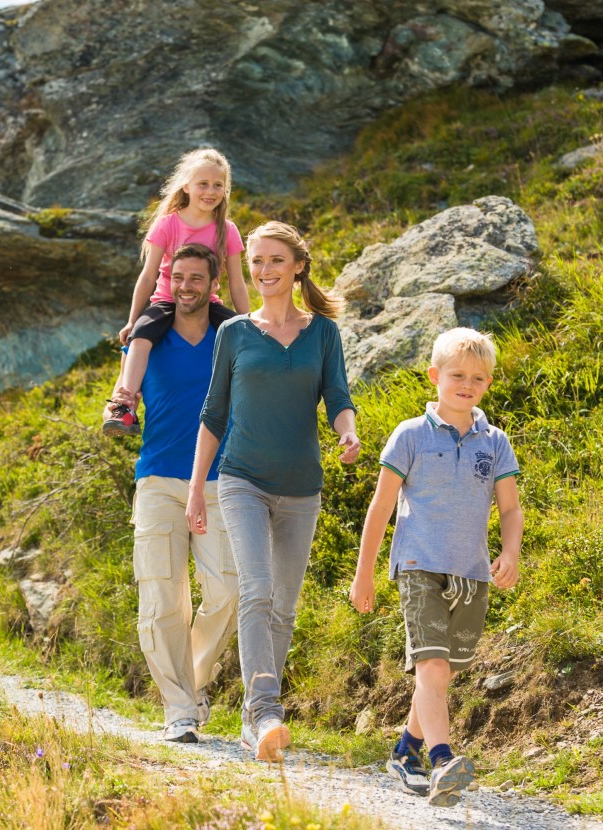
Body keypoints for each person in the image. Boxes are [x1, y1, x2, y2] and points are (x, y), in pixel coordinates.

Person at [185, 221, 360, 762]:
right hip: (242, 478)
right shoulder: (234, 333)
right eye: (256, 261)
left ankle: (251, 719)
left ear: (298, 267)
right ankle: (266, 711)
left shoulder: (323, 333)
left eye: (275, 261)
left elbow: (337, 395)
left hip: (302, 486)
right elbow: (214, 413)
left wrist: (348, 431)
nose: (263, 270)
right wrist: (197, 489)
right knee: (256, 591)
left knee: (283, 606)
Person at [349, 327, 523, 808]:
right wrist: (364, 573)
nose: (467, 385)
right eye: (457, 375)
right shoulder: (410, 435)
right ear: (435, 376)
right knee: (432, 664)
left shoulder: (496, 442)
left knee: (441, 675)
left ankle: (406, 751)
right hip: (419, 565)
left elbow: (510, 508)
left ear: (488, 383)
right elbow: (380, 507)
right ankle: (443, 759)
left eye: (479, 378)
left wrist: (509, 554)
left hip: (471, 573)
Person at [105, 243, 239, 743]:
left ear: (212, 284)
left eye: (195, 278)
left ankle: (193, 679)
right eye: (176, 277)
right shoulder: (147, 336)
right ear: (168, 279)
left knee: (227, 590)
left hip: (222, 479)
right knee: (162, 598)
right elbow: (125, 389)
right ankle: (179, 708)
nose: (185, 286)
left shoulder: (230, 337)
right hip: (159, 478)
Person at [103, 147, 250, 437]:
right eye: (203, 184)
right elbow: (148, 276)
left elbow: (236, 282)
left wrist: (249, 320)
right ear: (187, 186)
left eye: (218, 185)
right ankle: (125, 404)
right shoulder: (168, 223)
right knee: (142, 335)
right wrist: (133, 320)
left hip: (208, 303)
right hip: (167, 301)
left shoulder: (227, 229)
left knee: (243, 339)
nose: (211, 191)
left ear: (226, 189)